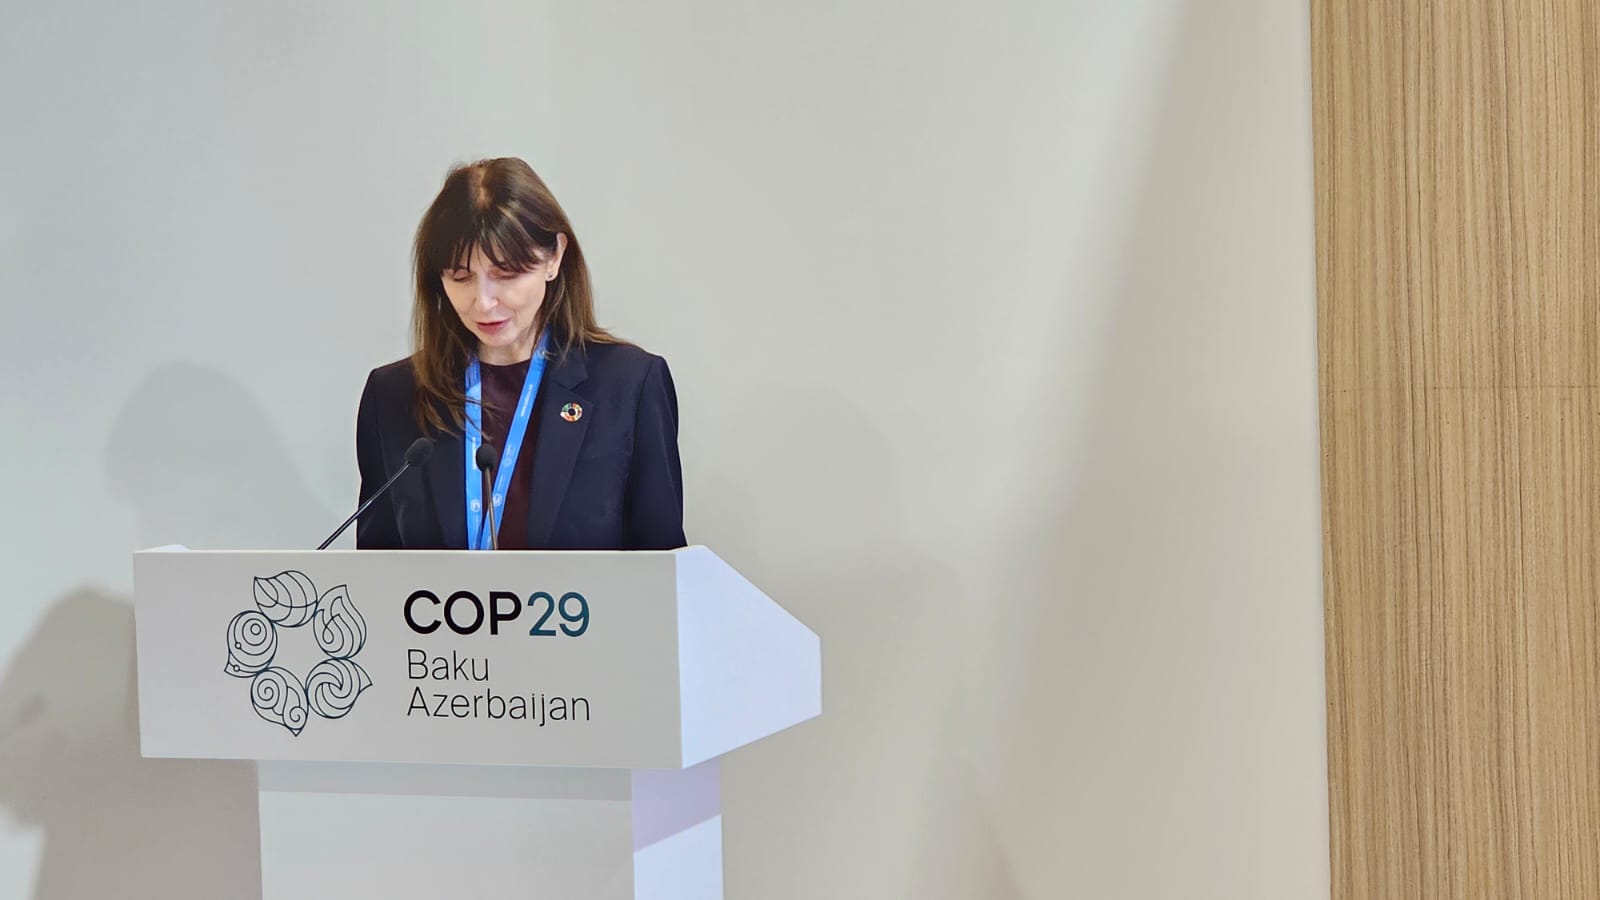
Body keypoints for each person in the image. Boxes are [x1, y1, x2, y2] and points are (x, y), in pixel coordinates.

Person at [353, 157, 685, 551]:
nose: (484, 302)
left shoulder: (629, 386)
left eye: (507, 274)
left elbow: (664, 574)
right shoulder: (393, 395)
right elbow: (377, 579)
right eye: (460, 278)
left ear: (554, 257)